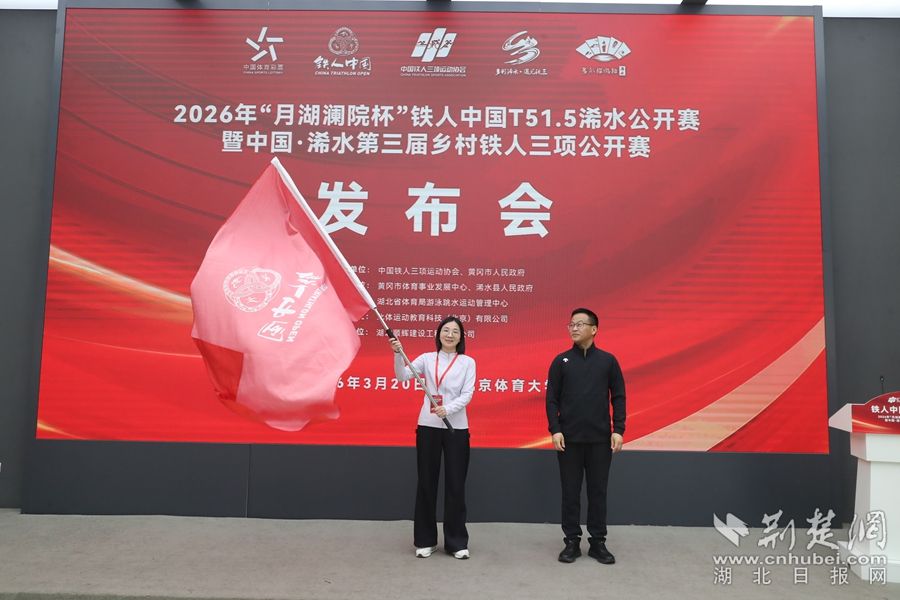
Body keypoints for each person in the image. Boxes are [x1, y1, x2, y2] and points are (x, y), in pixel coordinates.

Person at [389, 316, 476, 559]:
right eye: (446, 330)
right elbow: (402, 376)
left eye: (455, 331)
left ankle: (456, 542)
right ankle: (425, 540)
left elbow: (468, 393)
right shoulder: (427, 359)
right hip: (428, 426)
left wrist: (447, 409)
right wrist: (398, 354)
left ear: (461, 337)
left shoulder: (467, 362)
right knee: (427, 483)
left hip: (456, 428)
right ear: (438, 334)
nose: (450, 335)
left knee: (456, 484)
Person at [546, 308, 626, 564]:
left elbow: (619, 396)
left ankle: (598, 542)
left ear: (594, 329)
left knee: (597, 491)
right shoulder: (561, 361)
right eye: (571, 324)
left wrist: (618, 429)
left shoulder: (608, 361)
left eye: (580, 324)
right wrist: (555, 429)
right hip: (568, 439)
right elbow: (551, 399)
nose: (574, 328)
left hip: (600, 439)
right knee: (570, 492)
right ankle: (571, 541)